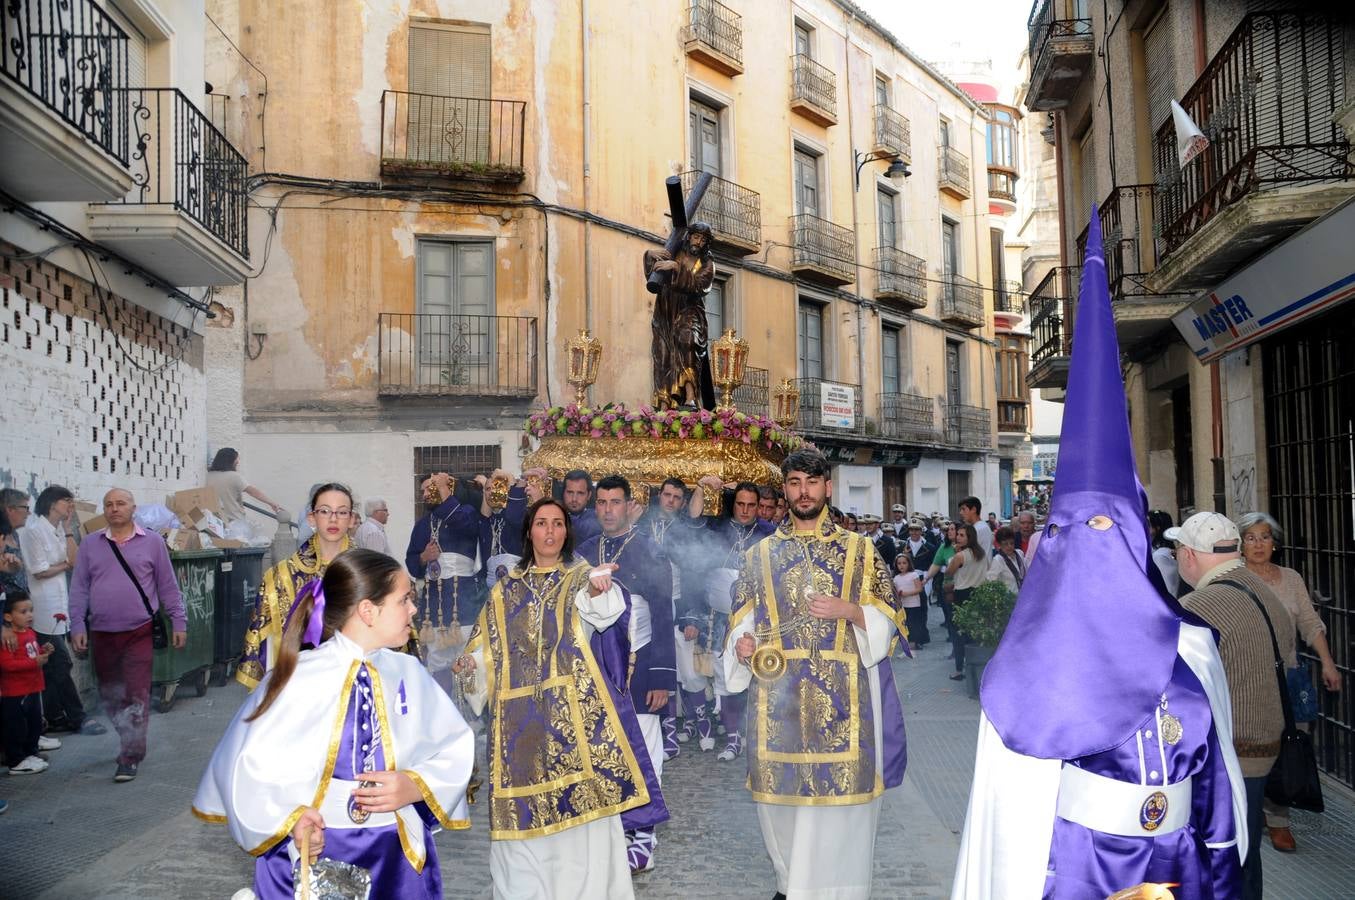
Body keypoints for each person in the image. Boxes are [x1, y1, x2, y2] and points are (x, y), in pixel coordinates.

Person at [954, 209, 1246, 899]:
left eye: (1111, 531)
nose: (1096, 549)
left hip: (1177, 867)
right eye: (1077, 531)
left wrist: (1219, 870)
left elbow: (1216, 786)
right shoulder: (1023, 667)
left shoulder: (1192, 648)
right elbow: (1008, 826)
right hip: (1073, 869)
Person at [194, 549, 474, 899]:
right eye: (404, 600)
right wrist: (291, 817)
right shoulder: (299, 677)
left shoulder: (409, 673)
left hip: (394, 852)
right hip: (316, 847)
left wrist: (416, 786)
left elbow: (452, 745)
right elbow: (247, 764)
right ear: (368, 611)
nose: (413, 610)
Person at [454, 498, 662, 900]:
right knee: (521, 831)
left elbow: (602, 611)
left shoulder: (580, 577)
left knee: (580, 826)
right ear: (529, 531)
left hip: (575, 723)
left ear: (567, 532)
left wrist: (600, 590)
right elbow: (486, 650)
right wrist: (470, 667)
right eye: (541, 523)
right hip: (519, 730)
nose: (550, 532)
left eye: (558, 524)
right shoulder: (505, 590)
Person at [726, 448, 907, 900]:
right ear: (784, 491)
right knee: (782, 808)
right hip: (778, 707)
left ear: (828, 487)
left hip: (846, 707)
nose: (802, 491)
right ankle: (791, 887)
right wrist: (742, 647)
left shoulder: (861, 551)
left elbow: (893, 622)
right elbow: (740, 624)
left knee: (840, 812)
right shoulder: (760, 554)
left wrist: (852, 611)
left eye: (811, 482)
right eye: (793, 483)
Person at [1171, 511, 1291, 900]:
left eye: (1177, 550)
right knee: (1247, 849)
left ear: (1189, 554)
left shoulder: (1198, 605)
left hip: (1229, 752)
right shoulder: (1264, 590)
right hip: (1265, 743)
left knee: (1226, 856)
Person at [578, 475, 676, 873]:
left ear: (629, 505)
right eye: (601, 502)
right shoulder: (583, 551)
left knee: (645, 749)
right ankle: (613, 828)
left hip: (642, 664)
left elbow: (663, 612)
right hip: (597, 664)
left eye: (615, 502)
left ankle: (644, 836)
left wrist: (663, 678)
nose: (607, 510)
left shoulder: (650, 550)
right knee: (603, 748)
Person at [1236, 511, 1342, 854]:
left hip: (1289, 675)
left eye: (1264, 537)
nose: (1258, 544)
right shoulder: (1234, 578)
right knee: (1256, 747)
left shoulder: (1291, 578)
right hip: (1248, 678)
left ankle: (1276, 810)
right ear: (1240, 544)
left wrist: (1328, 663)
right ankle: (1268, 814)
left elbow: (1310, 623)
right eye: (1250, 537)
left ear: (1275, 543)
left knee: (1291, 742)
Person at [69, 489, 187, 783]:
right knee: (110, 694)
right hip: (101, 633)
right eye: (108, 504)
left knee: (136, 693)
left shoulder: (153, 542)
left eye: (120, 503)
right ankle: (128, 737)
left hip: (139, 631)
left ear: (133, 508)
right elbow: (79, 588)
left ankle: (129, 755)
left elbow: (167, 585)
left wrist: (179, 621)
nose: (114, 508)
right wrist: (77, 626)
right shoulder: (90, 545)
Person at [679, 476, 775, 759]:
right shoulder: (719, 527)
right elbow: (693, 521)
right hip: (718, 618)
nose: (745, 510)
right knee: (723, 677)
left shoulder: (769, 533)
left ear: (759, 507)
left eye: (751, 505)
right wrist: (701, 488)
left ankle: (752, 734)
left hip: (756, 619)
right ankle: (732, 738)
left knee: (753, 676)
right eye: (741, 504)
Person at [237, 483, 355, 689]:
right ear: (312, 517)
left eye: (342, 512)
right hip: (300, 683)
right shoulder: (281, 576)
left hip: (353, 679)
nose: (333, 519)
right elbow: (264, 640)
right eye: (325, 511)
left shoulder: (368, 572)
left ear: (352, 519)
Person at [19, 485, 103, 734]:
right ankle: (78, 717)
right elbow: (39, 570)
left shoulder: (56, 530)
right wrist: (64, 565)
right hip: (42, 607)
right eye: (67, 501)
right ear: (52, 502)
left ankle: (55, 716)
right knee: (61, 662)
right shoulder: (33, 530)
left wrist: (67, 531)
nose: (70, 507)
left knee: (53, 665)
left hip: (59, 604)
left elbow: (75, 561)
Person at [404, 473, 483, 653]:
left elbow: (465, 525)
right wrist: (424, 557)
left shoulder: (466, 512)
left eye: (430, 489)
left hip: (464, 603)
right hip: (433, 607)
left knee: (468, 658)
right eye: (422, 491)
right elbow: (412, 563)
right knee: (437, 663)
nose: (424, 495)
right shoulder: (422, 525)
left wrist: (444, 491)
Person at [645, 221, 717, 410]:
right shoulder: (674, 251)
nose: (698, 242)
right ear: (689, 236)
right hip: (665, 312)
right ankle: (663, 402)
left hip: (689, 311)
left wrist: (676, 268)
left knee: (687, 342)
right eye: (696, 236)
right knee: (662, 355)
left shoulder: (707, 264)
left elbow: (700, 285)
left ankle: (690, 397)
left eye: (703, 239)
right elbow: (653, 275)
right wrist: (649, 256)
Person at [1, 590, 58, 775]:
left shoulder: (30, 633)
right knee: (16, 727)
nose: (30, 615)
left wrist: (44, 650)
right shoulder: (8, 639)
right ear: (8, 616)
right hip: (16, 691)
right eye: (23, 612)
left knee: (34, 723)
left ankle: (31, 753)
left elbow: (31, 653)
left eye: (31, 610)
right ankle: (16, 761)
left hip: (33, 687)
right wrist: (34, 662)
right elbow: (7, 664)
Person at [944, 525, 987, 682]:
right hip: (978, 593)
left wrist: (955, 555)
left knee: (958, 634)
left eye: (962, 535)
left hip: (961, 595)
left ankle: (958, 669)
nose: (958, 537)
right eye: (958, 535)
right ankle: (974, 664)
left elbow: (949, 571)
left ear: (970, 538)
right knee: (974, 632)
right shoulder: (982, 554)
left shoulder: (960, 556)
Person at [206, 447, 284, 524]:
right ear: (230, 461)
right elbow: (253, 492)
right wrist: (272, 503)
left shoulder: (209, 475)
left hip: (215, 521)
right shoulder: (234, 476)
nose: (238, 462)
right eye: (236, 459)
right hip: (234, 520)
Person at [0, 489, 29, 606]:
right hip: (5, 603)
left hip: (19, 605)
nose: (28, 513)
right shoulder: (2, 534)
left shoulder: (15, 534)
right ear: (10, 509)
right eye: (25, 508)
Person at [894, 552, 928, 651]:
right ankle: (909, 641)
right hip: (903, 605)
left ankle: (915, 642)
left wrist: (907, 593)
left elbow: (919, 589)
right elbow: (896, 592)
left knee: (914, 624)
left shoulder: (913, 575)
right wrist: (898, 595)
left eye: (904, 563)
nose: (901, 565)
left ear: (909, 564)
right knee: (906, 624)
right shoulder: (896, 578)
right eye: (899, 563)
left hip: (914, 604)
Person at [560, 469, 601, 543]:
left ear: (589, 495)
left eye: (580, 493)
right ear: (563, 493)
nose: (574, 499)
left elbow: (578, 530)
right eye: (570, 492)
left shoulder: (595, 518)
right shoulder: (558, 510)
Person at [1149, 509, 1181, 596]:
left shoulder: (1161, 555)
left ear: (1158, 527)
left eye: (1148, 524)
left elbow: (1167, 588)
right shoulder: (1158, 551)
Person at [986, 526, 1026, 593]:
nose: (1009, 546)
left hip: (1024, 594)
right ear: (999, 545)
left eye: (1012, 543)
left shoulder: (1020, 553)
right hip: (1009, 599)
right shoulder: (998, 560)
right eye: (1005, 544)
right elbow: (991, 582)